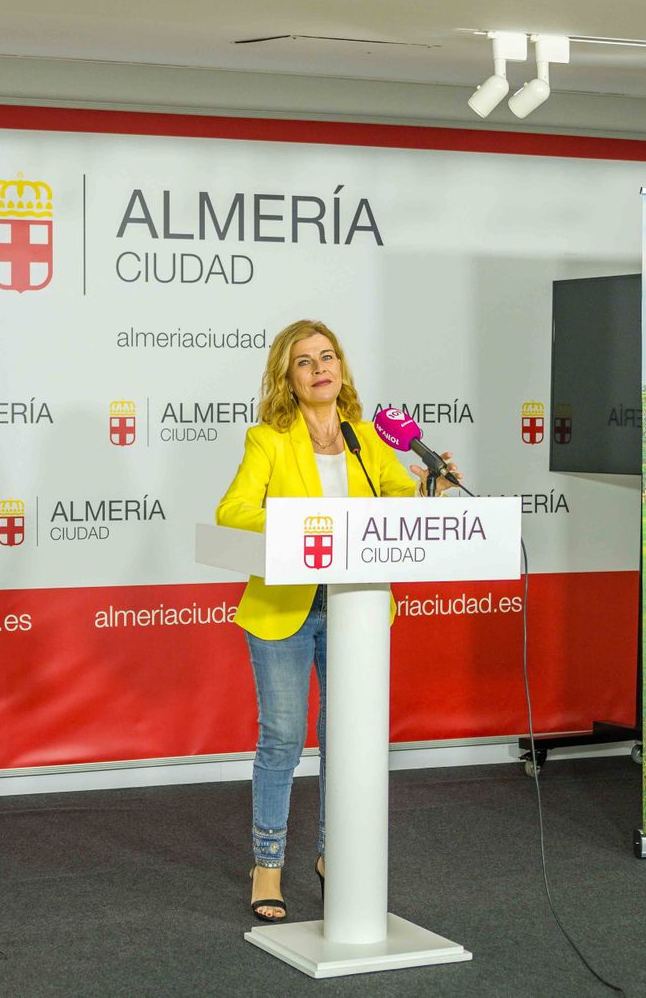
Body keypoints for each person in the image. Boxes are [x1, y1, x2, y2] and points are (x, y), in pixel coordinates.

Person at [215, 319, 461, 923]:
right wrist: (296, 526)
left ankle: (334, 855)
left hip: (357, 604)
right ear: (288, 377)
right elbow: (234, 510)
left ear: (342, 369)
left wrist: (430, 486)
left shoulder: (364, 438)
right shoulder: (268, 439)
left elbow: (398, 506)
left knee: (346, 740)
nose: (320, 368)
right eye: (305, 361)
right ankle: (267, 865)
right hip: (285, 607)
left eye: (328, 357)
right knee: (282, 738)